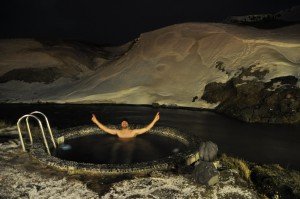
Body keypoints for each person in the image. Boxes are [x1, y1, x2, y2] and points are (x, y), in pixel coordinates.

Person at [91, 112, 160, 138]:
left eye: (125, 122)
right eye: (123, 122)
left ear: (128, 124)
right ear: (121, 124)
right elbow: (105, 129)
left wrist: (155, 120)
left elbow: (146, 129)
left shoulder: (133, 132)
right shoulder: (118, 132)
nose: (124, 123)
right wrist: (96, 121)